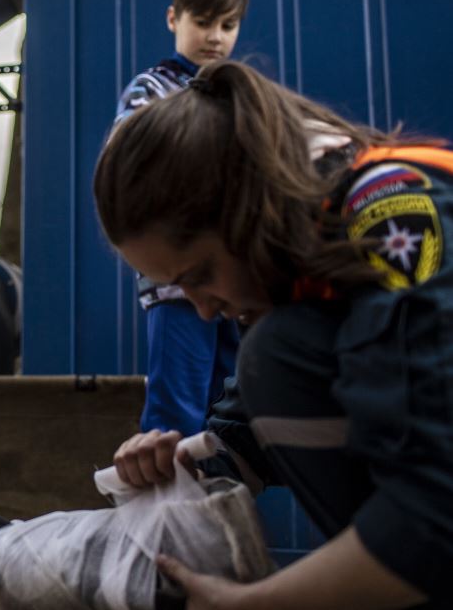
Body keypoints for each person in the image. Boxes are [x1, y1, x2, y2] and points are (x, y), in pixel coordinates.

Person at [95, 59, 450, 608]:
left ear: (246, 212)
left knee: (272, 354)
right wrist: (177, 465)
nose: (205, 311)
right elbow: (244, 440)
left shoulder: (397, 212)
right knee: (277, 357)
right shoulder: (311, 251)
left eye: (200, 276)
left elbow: (439, 502)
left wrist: (255, 603)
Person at [112, 0, 248, 437]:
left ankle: (217, 507)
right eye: (203, 21)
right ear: (174, 19)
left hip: (236, 282)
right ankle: (166, 508)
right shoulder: (152, 90)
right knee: (177, 414)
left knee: (231, 412)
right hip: (177, 281)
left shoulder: (239, 98)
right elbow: (135, 169)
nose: (215, 36)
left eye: (227, 25)